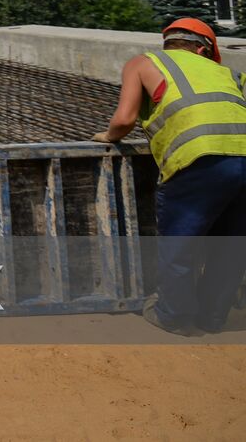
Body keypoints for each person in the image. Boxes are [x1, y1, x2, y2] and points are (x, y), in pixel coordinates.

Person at [92, 18, 246, 335]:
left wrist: (108, 136)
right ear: (204, 49)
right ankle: (213, 318)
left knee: (180, 245)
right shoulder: (231, 74)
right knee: (231, 246)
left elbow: (124, 119)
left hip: (198, 160)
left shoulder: (143, 63)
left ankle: (173, 316)